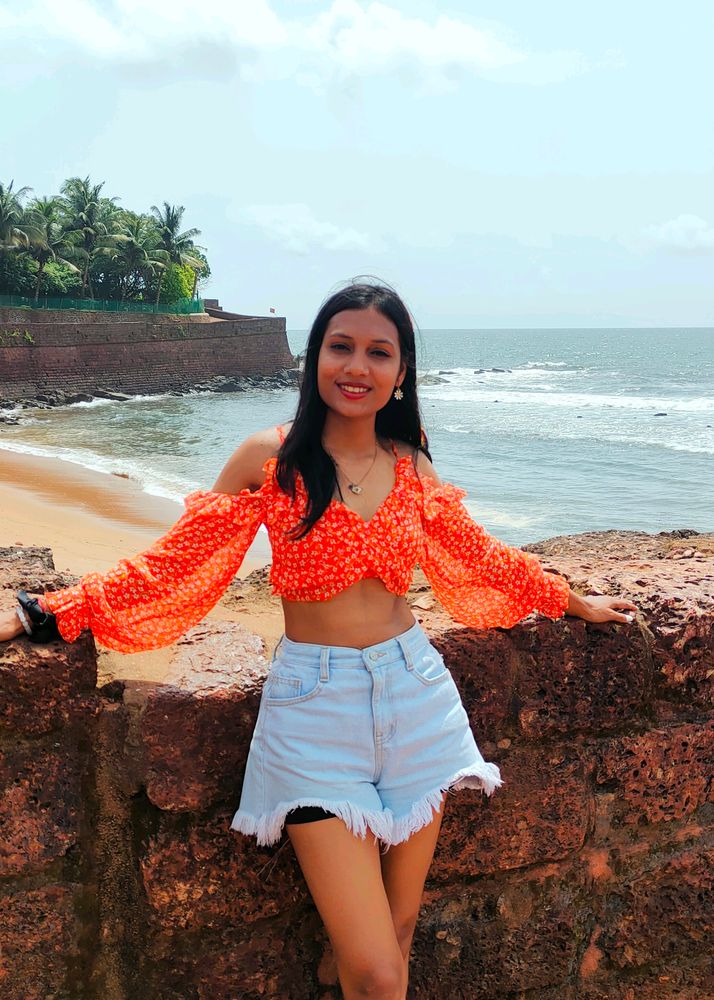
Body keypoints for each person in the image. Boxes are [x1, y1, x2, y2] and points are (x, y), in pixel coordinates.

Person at [1, 281, 637, 1000]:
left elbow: (479, 553)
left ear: (402, 374)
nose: (356, 367)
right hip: (313, 712)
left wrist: (570, 599)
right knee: (372, 970)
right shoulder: (269, 459)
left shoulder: (410, 462)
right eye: (341, 347)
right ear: (313, 358)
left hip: (418, 699)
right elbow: (176, 563)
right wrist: (41, 613)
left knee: (395, 940)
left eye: (378, 352)